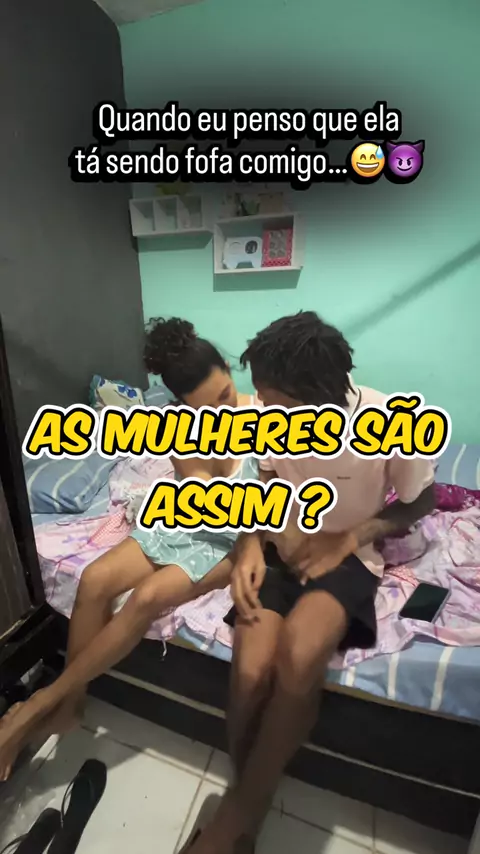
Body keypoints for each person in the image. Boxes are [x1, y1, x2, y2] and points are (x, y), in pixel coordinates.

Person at [189, 311, 436, 854]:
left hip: (346, 559)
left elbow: (422, 501)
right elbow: (261, 482)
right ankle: (246, 810)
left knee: (299, 657)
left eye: (271, 396)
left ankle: (232, 821)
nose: (259, 404)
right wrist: (249, 545)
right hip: (278, 551)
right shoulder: (264, 415)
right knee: (249, 671)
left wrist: (350, 538)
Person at [0, 318, 257, 781]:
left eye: (225, 395)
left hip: (237, 541)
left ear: (227, 368)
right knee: (95, 578)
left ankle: (42, 703)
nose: (223, 410)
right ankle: (70, 707)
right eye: (207, 407)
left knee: (147, 597)